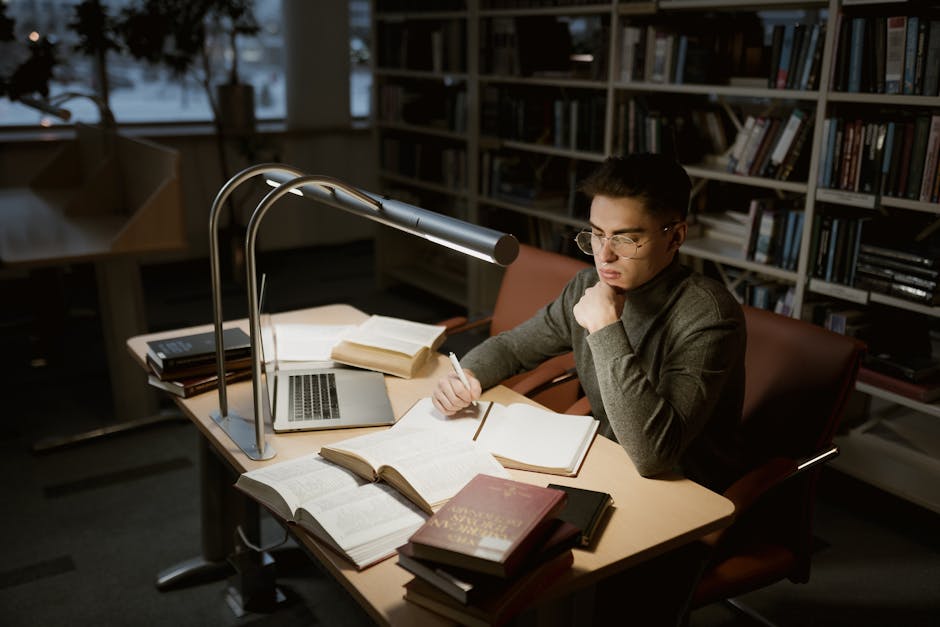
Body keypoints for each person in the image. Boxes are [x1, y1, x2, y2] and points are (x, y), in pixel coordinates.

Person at [433, 153, 748, 625]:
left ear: (675, 236)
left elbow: (652, 453)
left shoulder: (707, 315)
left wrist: (605, 330)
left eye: (627, 237)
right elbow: (516, 346)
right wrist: (468, 378)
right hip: (600, 464)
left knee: (547, 575)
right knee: (483, 540)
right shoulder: (587, 283)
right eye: (597, 234)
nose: (605, 255)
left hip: (678, 494)